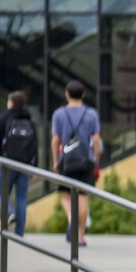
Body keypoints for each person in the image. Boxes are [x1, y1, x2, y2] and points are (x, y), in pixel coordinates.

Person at [51, 81, 102, 247]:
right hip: (85, 160)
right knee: (83, 197)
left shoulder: (59, 114)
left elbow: (55, 139)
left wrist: (55, 161)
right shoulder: (91, 114)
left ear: (66, 93)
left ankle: (71, 219)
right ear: (84, 95)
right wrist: (95, 159)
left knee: (65, 195)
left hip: (67, 160)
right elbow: (95, 140)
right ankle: (79, 237)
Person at [0, 91, 39, 236]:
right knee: (22, 198)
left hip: (5, 163)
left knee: (2, 193)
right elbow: (34, 146)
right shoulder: (30, 121)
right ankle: (19, 234)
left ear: (10, 103)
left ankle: (9, 214)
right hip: (24, 164)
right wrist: (34, 167)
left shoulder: (2, 119)